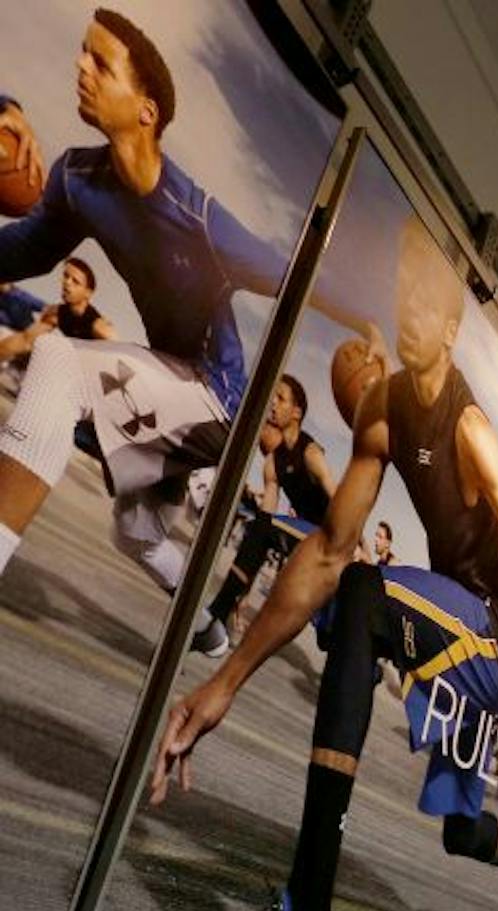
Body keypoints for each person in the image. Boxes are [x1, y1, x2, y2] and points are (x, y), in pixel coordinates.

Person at [146, 216, 498, 911]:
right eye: (403, 292)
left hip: (489, 637)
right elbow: (329, 549)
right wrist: (224, 681)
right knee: (456, 831)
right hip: (448, 646)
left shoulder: (469, 426)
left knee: (367, 599)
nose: (409, 310)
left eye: (427, 302)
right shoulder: (383, 409)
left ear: (451, 326)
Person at [0, 11, 382, 656]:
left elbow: (291, 274)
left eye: (100, 63)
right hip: (170, 385)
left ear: (146, 110)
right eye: (82, 55)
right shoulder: (75, 179)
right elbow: (21, 253)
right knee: (137, 533)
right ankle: (209, 634)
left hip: (219, 398)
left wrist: (364, 319)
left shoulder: (198, 218)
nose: (80, 69)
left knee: (60, 363)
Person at [201, 374, 333, 633]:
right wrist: (249, 557)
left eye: (280, 398)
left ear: (296, 412)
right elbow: (266, 517)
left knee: (327, 628)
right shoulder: (273, 462)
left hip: (329, 535)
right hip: (303, 534)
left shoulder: (310, 453)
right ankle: (219, 611)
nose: (272, 402)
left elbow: (341, 501)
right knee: (258, 529)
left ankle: (218, 612)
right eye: (272, 396)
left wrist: (358, 546)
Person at [0, 257, 115, 364]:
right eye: (66, 276)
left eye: (76, 281)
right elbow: (25, 341)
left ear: (88, 293)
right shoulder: (57, 313)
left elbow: (117, 355)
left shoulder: (98, 325)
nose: (67, 282)